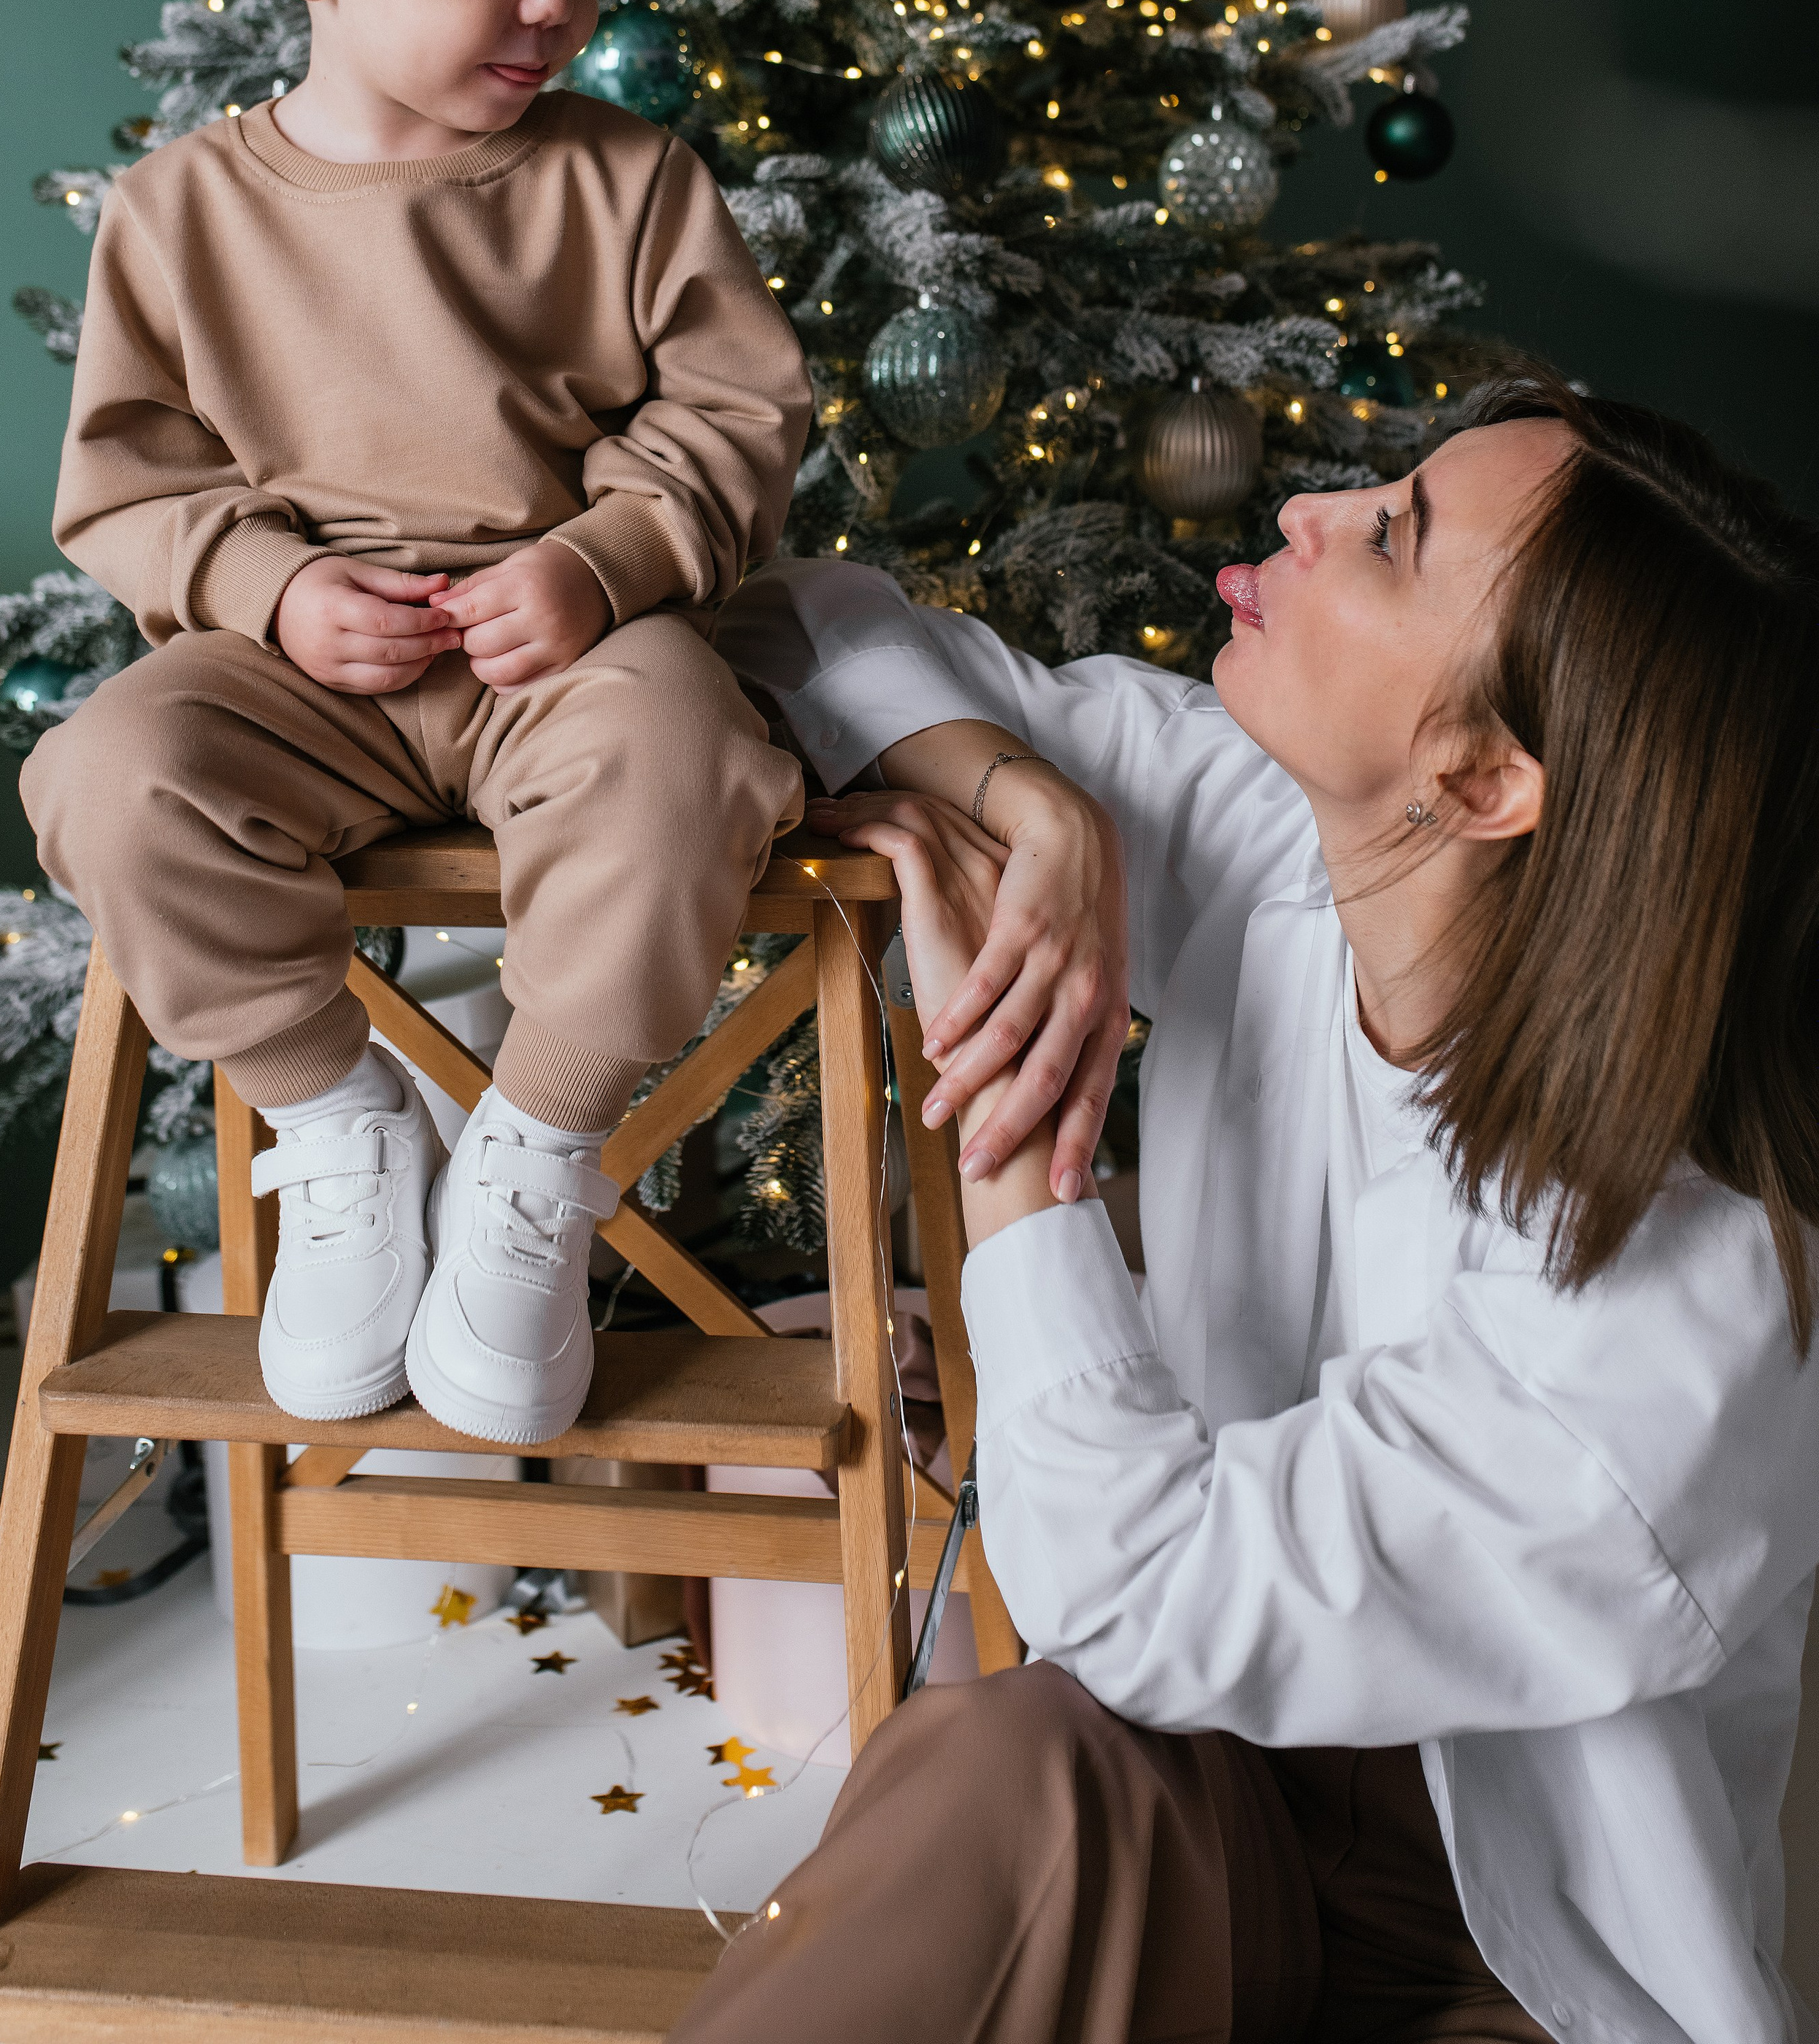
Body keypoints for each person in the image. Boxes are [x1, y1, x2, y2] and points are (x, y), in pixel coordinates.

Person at [683, 370, 1819, 2044]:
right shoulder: (1296, 849)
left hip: (1498, 1984)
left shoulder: (1663, 1321)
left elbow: (1127, 1598)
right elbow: (791, 626)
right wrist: (1031, 807)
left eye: (1389, 537)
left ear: (1485, 777)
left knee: (1045, 1741)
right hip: (1205, 1832)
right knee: (1015, 1765)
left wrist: (1007, 1103)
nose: (1306, 506)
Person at [23, 0, 807, 1441]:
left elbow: (743, 411)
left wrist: (600, 560)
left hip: (567, 656)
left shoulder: (628, 183)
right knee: (108, 776)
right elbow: (128, 487)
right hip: (306, 677)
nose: (556, 1)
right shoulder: (180, 214)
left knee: (688, 753)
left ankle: (536, 1156)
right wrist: (272, 590)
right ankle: (336, 1121)